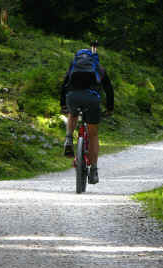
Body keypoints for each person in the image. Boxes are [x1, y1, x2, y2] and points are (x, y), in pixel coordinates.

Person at [60, 42, 114, 184]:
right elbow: (109, 90)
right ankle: (94, 170)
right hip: (92, 100)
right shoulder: (99, 68)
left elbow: (64, 85)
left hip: (73, 97)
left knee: (72, 114)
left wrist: (63, 105)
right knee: (93, 134)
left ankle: (68, 139)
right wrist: (109, 108)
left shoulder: (73, 67)